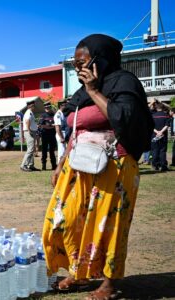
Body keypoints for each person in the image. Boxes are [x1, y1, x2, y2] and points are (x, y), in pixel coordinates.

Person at [42, 34, 153, 300]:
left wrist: (94, 91)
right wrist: (61, 163)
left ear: (100, 59)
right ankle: (79, 272)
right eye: (75, 62)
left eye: (83, 61)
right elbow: (76, 127)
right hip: (78, 164)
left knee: (107, 225)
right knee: (64, 220)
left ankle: (109, 282)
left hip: (114, 165)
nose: (78, 67)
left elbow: (124, 119)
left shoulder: (125, 83)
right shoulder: (81, 91)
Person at [150, 101, 170, 171]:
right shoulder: (166, 115)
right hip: (163, 135)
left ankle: (155, 165)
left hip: (154, 135)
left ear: (156, 107)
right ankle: (163, 166)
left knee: (155, 150)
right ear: (162, 107)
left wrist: (157, 132)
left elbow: (150, 126)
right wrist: (161, 132)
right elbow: (167, 125)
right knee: (162, 151)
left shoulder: (152, 116)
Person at [20, 100, 40, 172]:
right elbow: (27, 121)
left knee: (31, 149)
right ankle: (23, 165)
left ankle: (31, 165)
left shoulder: (30, 112)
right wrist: (29, 130)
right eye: (33, 105)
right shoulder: (28, 112)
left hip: (31, 131)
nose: (34, 106)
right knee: (30, 149)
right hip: (29, 132)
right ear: (30, 106)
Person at [39, 102, 57, 170]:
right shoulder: (43, 115)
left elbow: (56, 124)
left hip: (52, 135)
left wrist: (51, 127)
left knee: (52, 151)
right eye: (46, 107)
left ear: (50, 107)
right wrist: (51, 126)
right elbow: (41, 125)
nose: (47, 108)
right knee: (44, 151)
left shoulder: (54, 114)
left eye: (48, 107)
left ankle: (54, 165)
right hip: (45, 134)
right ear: (44, 108)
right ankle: (44, 165)